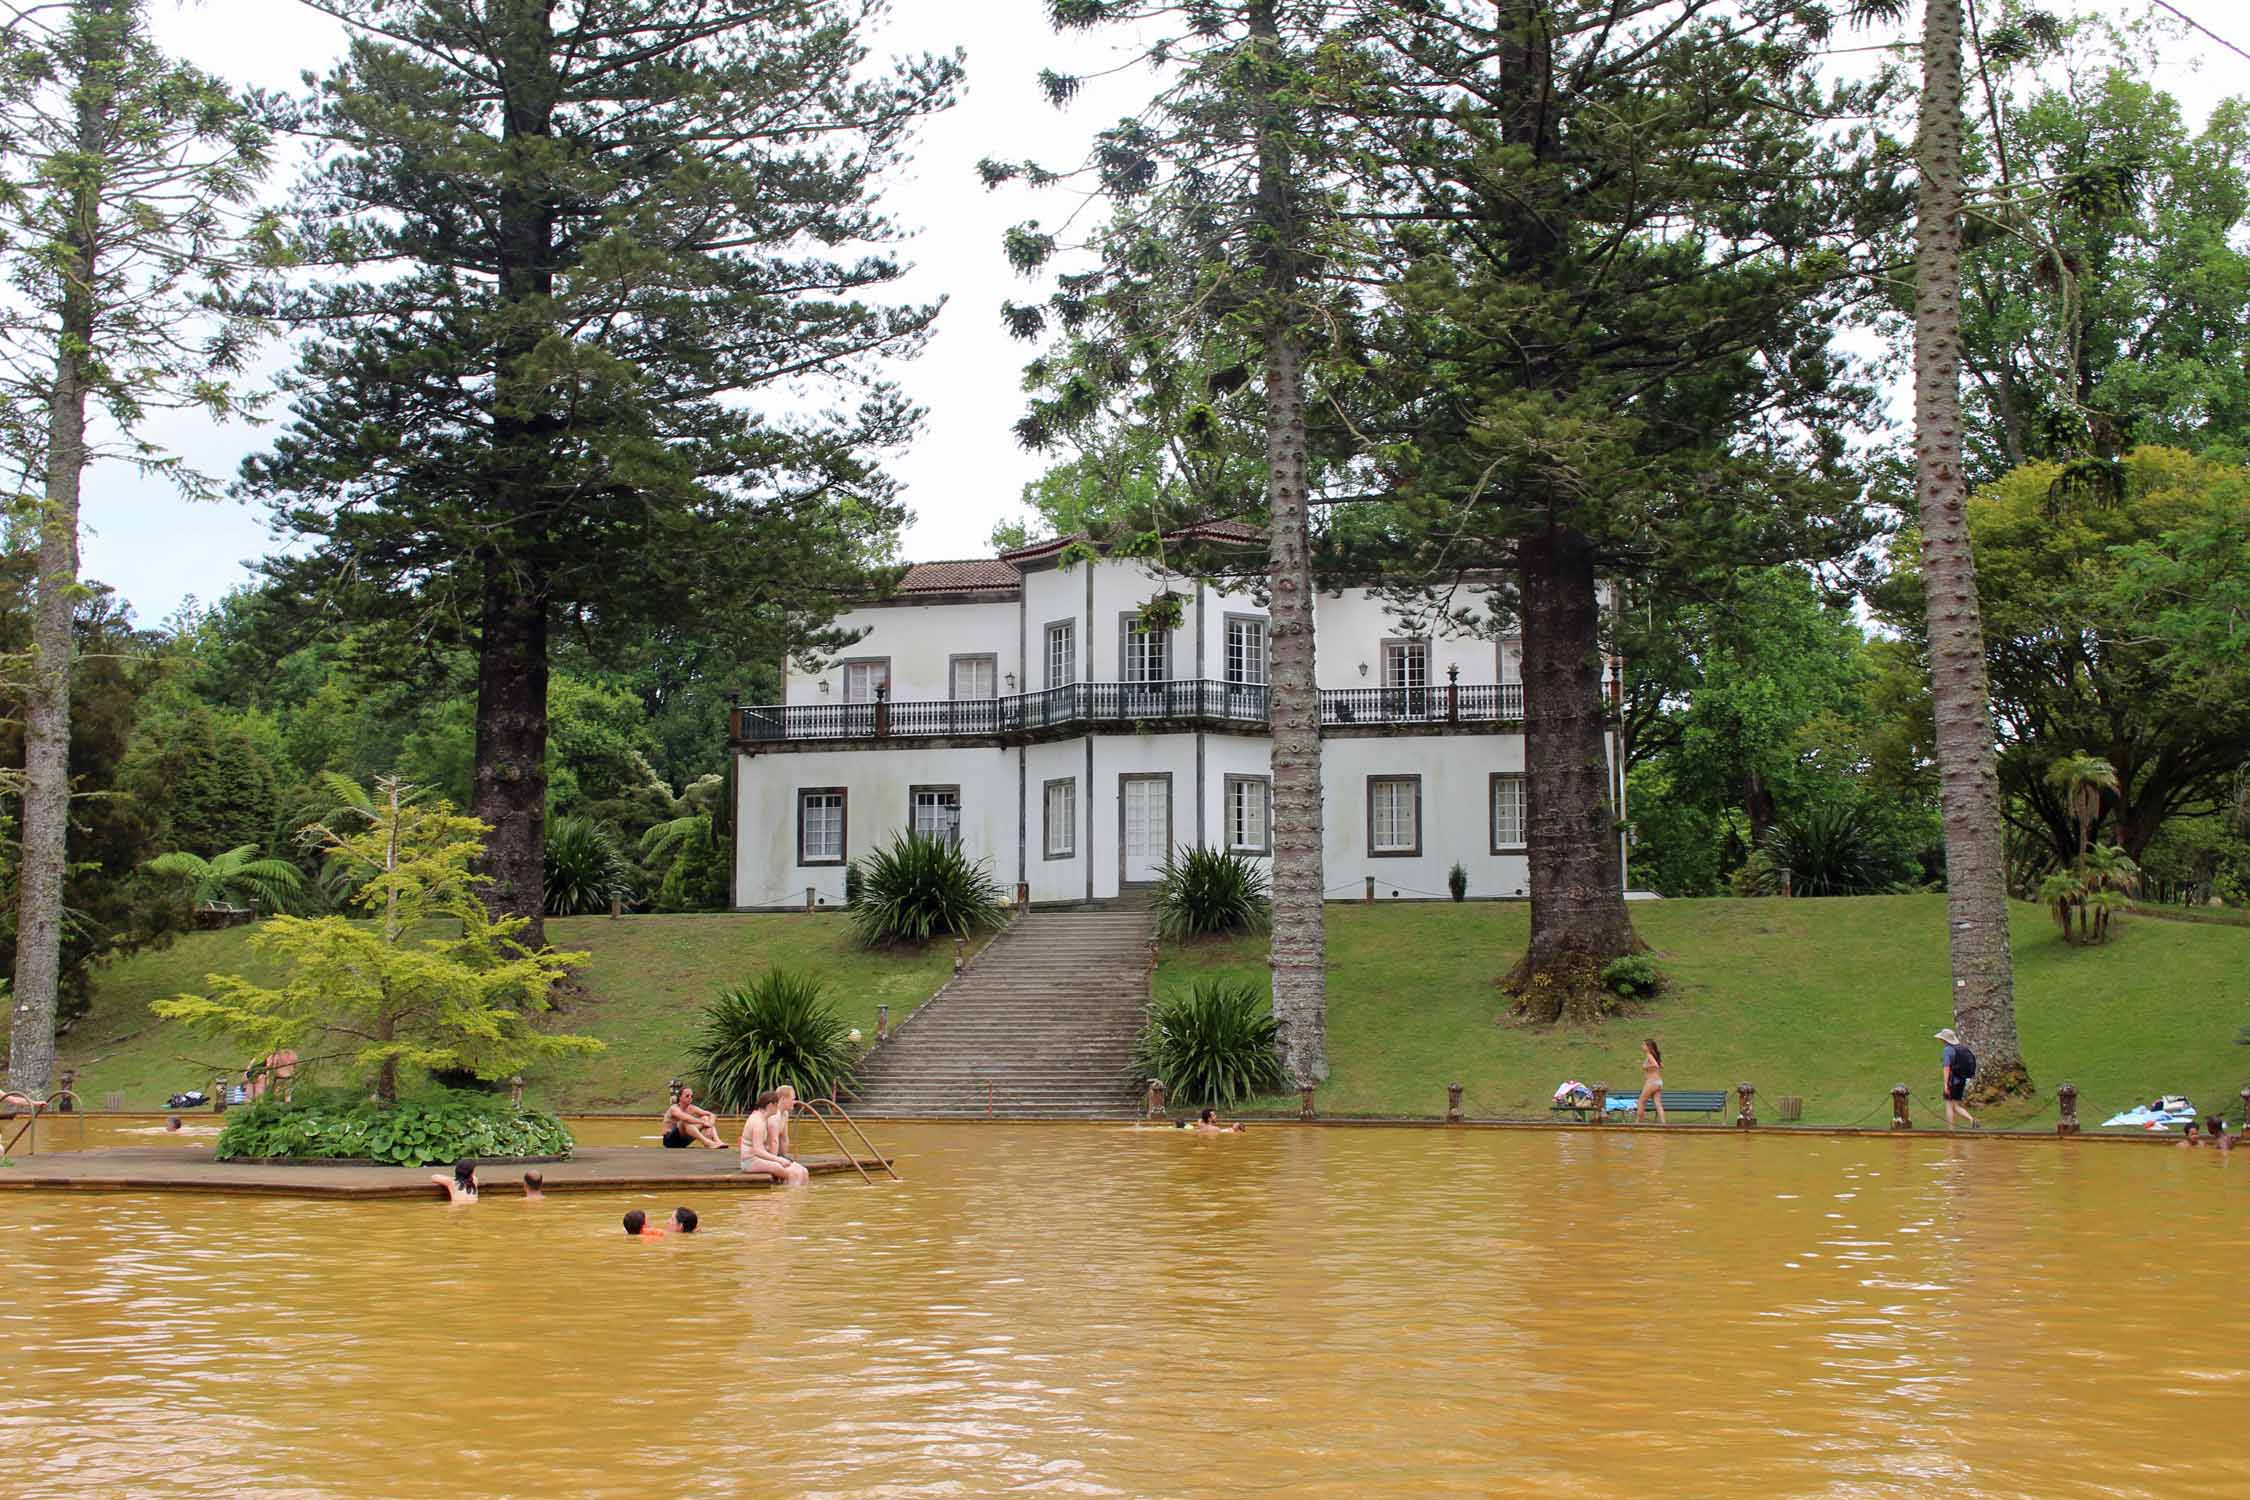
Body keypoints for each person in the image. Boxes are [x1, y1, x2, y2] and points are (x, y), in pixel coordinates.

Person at [740, 1089, 809, 1186]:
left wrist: (780, 1158)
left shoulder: (763, 1119)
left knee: (803, 1171)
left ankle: (799, 1195)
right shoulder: (757, 1122)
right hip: (750, 1161)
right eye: (777, 1105)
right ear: (770, 1106)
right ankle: (790, 1197)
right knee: (792, 1173)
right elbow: (758, 1150)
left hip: (758, 1159)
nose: (778, 1108)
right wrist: (778, 1159)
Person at [1935, 1028, 1979, 1129]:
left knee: (1949, 1105)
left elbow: (1947, 1068)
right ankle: (1972, 1120)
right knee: (1955, 1105)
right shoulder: (1962, 1048)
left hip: (1952, 1081)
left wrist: (1946, 1085)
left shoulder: (1947, 1050)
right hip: (1962, 1080)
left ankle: (1951, 1130)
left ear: (1944, 1040)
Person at [661, 1085, 725, 1150]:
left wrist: (710, 1123)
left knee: (705, 1118)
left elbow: (711, 1114)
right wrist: (703, 1122)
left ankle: (717, 1141)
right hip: (670, 1141)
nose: (690, 1098)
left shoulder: (692, 1108)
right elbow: (686, 1118)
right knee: (685, 1121)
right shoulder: (674, 1108)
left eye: (691, 1096)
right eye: (687, 1096)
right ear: (680, 1097)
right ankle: (707, 1142)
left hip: (683, 1141)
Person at [1634, 1038, 1666, 1125]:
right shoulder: (1654, 1055)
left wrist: (1646, 1067)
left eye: (1644, 1045)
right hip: (1659, 1082)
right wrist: (1654, 1065)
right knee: (1657, 1103)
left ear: (1648, 1047)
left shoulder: (1649, 1055)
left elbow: (1655, 1065)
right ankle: (1664, 1124)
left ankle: (1638, 1123)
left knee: (1641, 1101)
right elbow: (1661, 1065)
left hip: (1652, 1082)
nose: (1642, 1046)